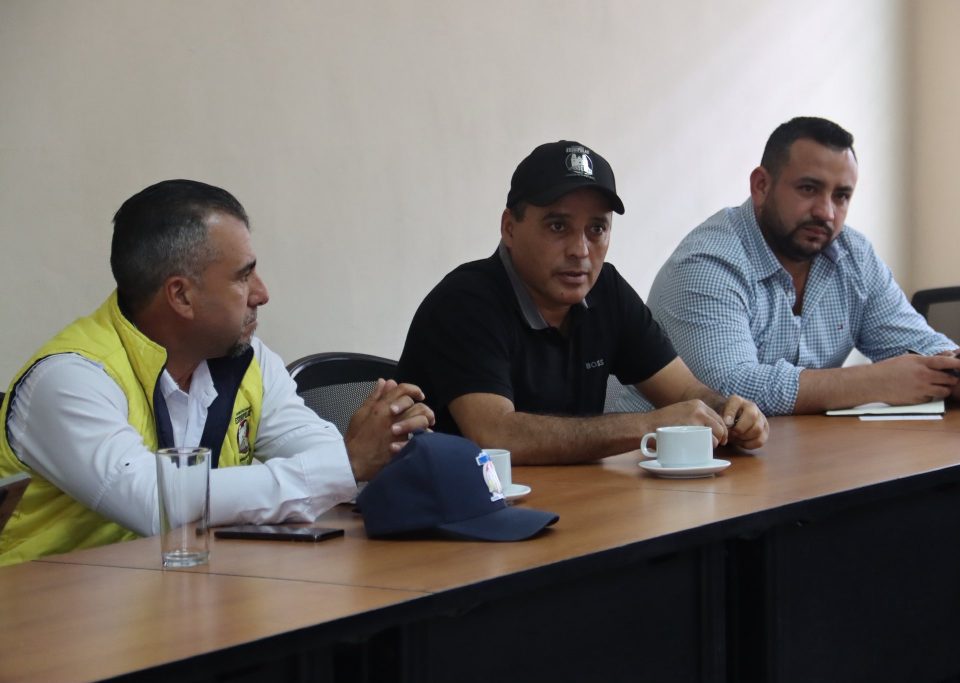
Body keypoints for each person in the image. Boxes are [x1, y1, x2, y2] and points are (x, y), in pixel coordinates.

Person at [0, 179, 434, 565]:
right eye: (243, 277)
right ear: (181, 296)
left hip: (181, 597)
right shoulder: (69, 380)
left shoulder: (247, 359)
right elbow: (155, 503)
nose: (262, 293)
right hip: (43, 616)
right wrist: (347, 463)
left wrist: (368, 446)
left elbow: (313, 449)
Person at [397, 140, 769, 465]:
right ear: (509, 228)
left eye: (597, 229)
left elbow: (686, 392)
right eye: (558, 226)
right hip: (452, 512)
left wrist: (727, 413)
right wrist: (648, 425)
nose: (580, 250)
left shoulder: (606, 290)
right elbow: (496, 435)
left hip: (569, 502)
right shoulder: (465, 302)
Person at [617, 117, 960, 417]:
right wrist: (873, 382)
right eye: (808, 189)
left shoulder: (852, 255)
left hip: (789, 455)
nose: (826, 212)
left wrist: (955, 371)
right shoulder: (707, 263)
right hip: (653, 464)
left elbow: (917, 342)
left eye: (841, 196)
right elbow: (728, 391)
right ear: (761, 186)